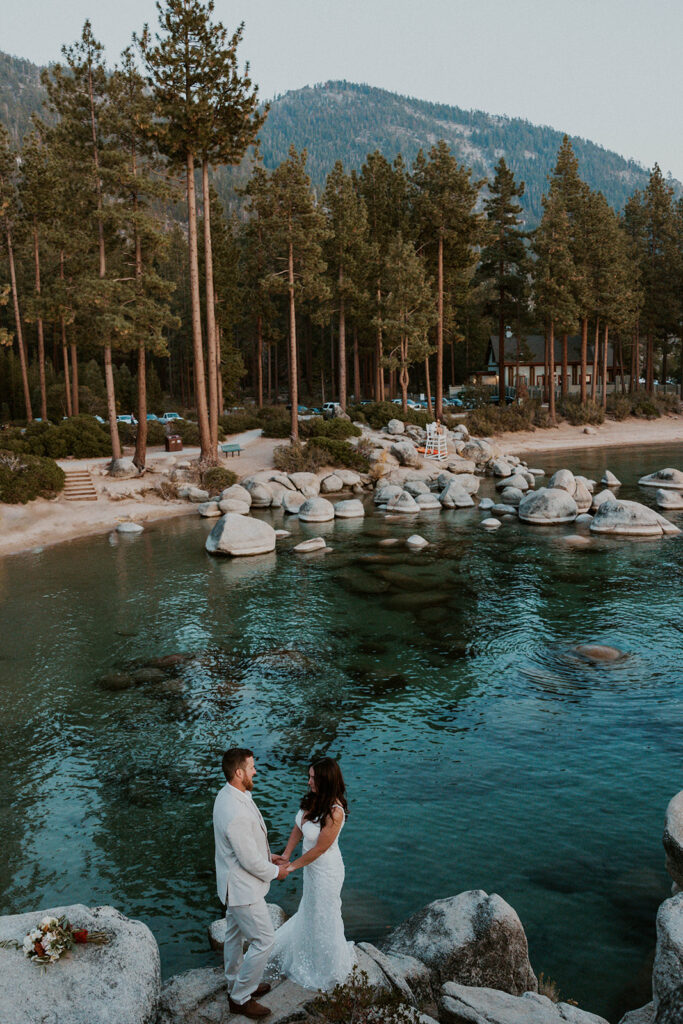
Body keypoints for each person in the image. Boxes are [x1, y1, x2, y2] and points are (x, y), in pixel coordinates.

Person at [213, 747, 289, 1019]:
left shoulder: (228, 795)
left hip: (234, 885)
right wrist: (274, 871)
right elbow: (248, 861)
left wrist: (269, 855)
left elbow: (242, 848)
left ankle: (236, 981)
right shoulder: (234, 811)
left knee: (233, 936)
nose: (256, 770)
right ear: (239, 772)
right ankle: (240, 997)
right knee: (265, 940)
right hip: (243, 889)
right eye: (252, 767)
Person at [268, 758, 355, 991]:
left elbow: (319, 849)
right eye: (309, 777)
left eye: (313, 778)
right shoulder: (313, 800)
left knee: (325, 913)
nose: (309, 782)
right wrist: (286, 855)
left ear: (326, 781)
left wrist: (291, 868)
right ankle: (309, 952)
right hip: (311, 869)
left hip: (327, 870)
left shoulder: (336, 812)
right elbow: (299, 826)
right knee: (310, 909)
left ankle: (329, 965)